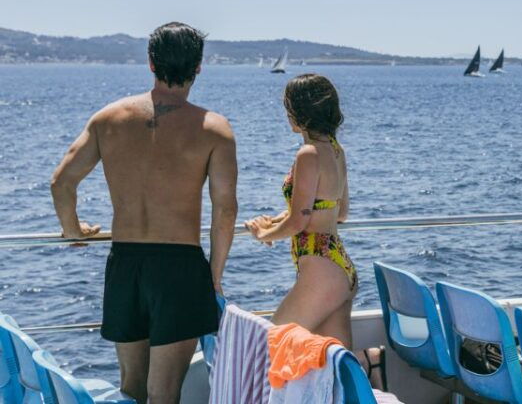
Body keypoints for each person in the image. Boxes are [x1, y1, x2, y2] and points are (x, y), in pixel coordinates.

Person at [50, 22, 238, 404]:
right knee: (164, 394)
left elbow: (62, 182)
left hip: (126, 264)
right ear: (199, 66)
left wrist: (73, 231)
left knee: (131, 390)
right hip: (180, 268)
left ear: (150, 62)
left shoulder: (108, 119)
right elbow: (225, 211)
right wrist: (213, 277)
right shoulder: (214, 130)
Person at [244, 73, 385, 389]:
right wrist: (279, 219)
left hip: (321, 273)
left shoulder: (307, 154)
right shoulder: (335, 149)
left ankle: (370, 362)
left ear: (299, 112)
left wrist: (263, 234)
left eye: (288, 107)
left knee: (269, 348)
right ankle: (370, 361)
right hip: (340, 269)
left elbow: (298, 222)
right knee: (335, 367)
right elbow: (337, 210)